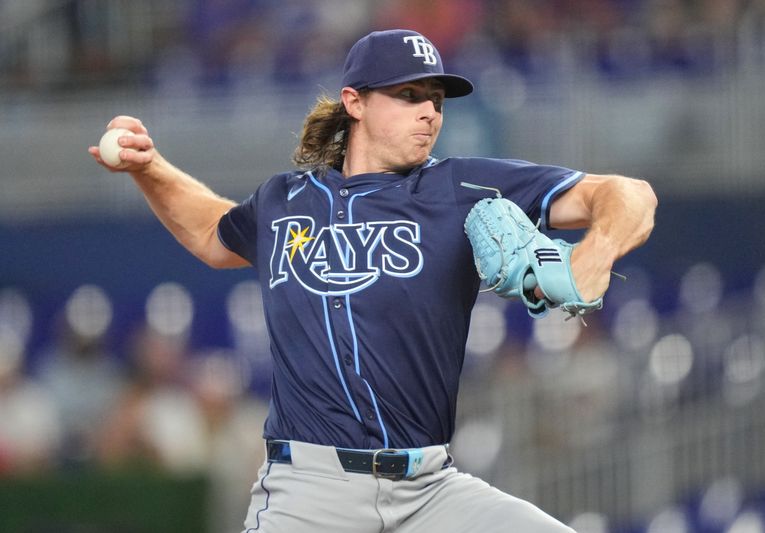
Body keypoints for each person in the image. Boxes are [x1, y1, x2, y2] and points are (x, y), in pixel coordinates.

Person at [89, 28, 656, 533]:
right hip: (310, 494)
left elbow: (628, 194)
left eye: (436, 100)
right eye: (408, 95)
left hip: (431, 489)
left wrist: (594, 254)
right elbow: (214, 233)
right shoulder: (285, 200)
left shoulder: (460, 188)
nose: (429, 112)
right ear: (354, 102)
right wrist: (149, 168)